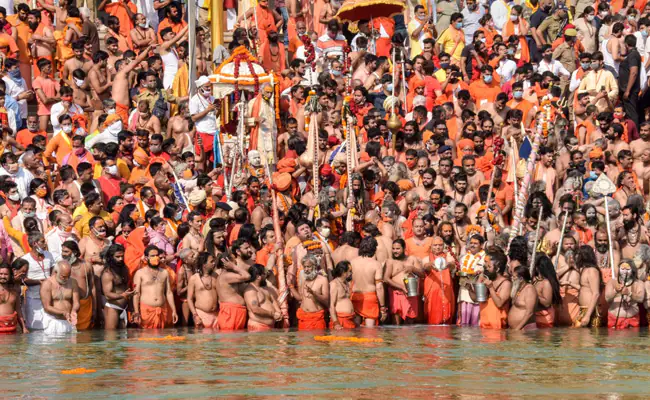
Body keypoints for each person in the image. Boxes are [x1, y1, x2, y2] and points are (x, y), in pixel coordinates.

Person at [132, 245, 178, 329]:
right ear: (146, 258)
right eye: (152, 256)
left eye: (157, 255)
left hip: (162, 310)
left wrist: (174, 310)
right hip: (146, 311)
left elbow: (169, 293)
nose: (156, 258)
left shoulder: (165, 272)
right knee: (146, 335)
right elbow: (136, 294)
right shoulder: (140, 273)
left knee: (162, 335)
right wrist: (136, 312)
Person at [349, 237, 386, 326]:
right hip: (370, 298)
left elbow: (348, 282)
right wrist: (382, 307)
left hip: (354, 296)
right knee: (370, 331)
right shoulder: (376, 264)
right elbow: (379, 287)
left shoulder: (352, 262)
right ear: (374, 249)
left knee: (356, 330)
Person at [216, 239, 252, 331]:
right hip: (231, 312)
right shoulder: (226, 276)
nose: (236, 261)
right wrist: (234, 267)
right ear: (227, 263)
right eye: (233, 259)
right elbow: (247, 276)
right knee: (230, 338)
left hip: (234, 311)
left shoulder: (226, 275)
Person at [40, 260, 79, 335]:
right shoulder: (47, 284)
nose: (66, 279)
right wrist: (63, 312)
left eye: (68, 276)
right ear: (55, 272)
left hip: (69, 321)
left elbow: (76, 302)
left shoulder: (73, 282)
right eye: (63, 277)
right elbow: (47, 307)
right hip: (54, 321)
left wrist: (74, 311)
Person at [605, 259, 645, 328]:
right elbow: (607, 298)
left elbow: (641, 299)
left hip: (632, 320)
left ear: (633, 270)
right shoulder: (612, 282)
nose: (625, 272)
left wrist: (629, 293)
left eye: (628, 269)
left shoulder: (639, 283)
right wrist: (616, 291)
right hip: (615, 320)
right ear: (619, 269)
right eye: (622, 269)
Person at [244, 263, 281, 331]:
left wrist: (278, 312)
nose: (266, 276)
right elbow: (255, 309)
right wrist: (272, 314)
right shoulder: (251, 291)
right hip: (258, 327)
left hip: (270, 327)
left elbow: (273, 301)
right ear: (258, 277)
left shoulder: (265, 289)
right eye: (264, 274)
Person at [187, 252, 219, 329]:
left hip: (216, 314)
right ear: (204, 264)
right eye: (211, 261)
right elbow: (189, 299)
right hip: (201, 315)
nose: (214, 263)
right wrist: (195, 316)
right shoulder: (194, 278)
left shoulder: (216, 276)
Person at [0, 264, 28, 333]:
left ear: (10, 276)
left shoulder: (14, 293)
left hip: (11, 330)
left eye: (6, 274)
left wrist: (24, 327)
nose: (3, 276)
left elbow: (18, 311)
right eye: (1, 274)